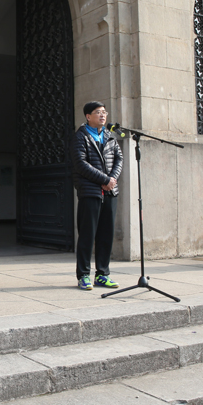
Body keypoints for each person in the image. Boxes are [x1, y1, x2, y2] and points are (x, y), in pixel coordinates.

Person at [72, 101, 122, 290]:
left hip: (110, 191)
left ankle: (102, 274)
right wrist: (104, 179)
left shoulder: (110, 136)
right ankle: (83, 275)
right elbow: (80, 163)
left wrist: (112, 179)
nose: (102, 115)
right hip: (90, 192)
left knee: (106, 235)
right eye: (98, 112)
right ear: (88, 116)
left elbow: (119, 158)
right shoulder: (80, 136)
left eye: (104, 112)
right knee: (87, 235)